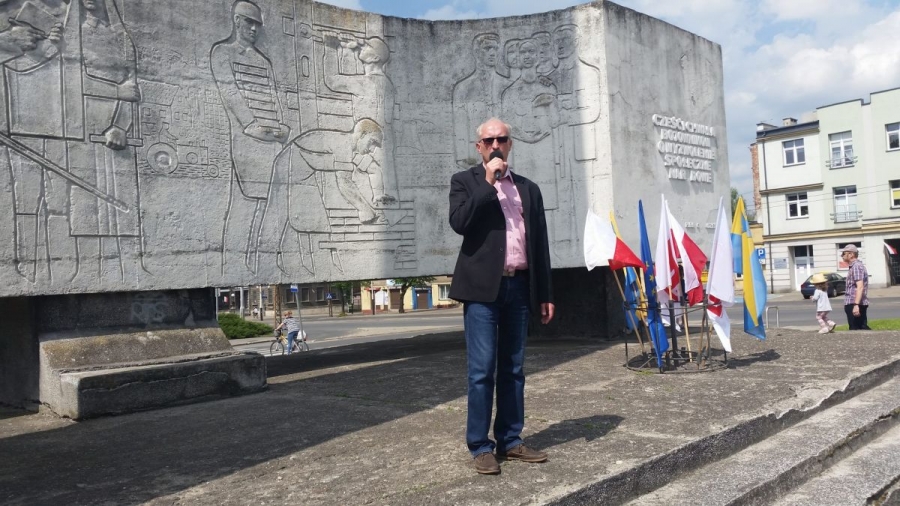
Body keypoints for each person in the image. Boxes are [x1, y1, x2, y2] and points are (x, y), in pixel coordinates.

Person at [448, 117, 555, 475]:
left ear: (510, 144)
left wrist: (545, 292)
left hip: (519, 287)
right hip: (481, 291)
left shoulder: (529, 189)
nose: (496, 145)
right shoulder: (465, 182)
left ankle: (510, 440)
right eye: (489, 140)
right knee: (482, 371)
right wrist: (489, 182)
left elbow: (539, 243)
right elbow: (460, 223)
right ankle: (480, 446)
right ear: (479, 147)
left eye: (502, 139)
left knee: (513, 368)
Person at [841, 244, 870, 330]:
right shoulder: (854, 266)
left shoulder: (856, 266)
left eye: (843, 253)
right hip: (854, 302)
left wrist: (856, 305)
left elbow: (860, 286)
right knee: (860, 329)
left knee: (856, 330)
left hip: (854, 303)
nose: (842, 256)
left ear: (851, 254)